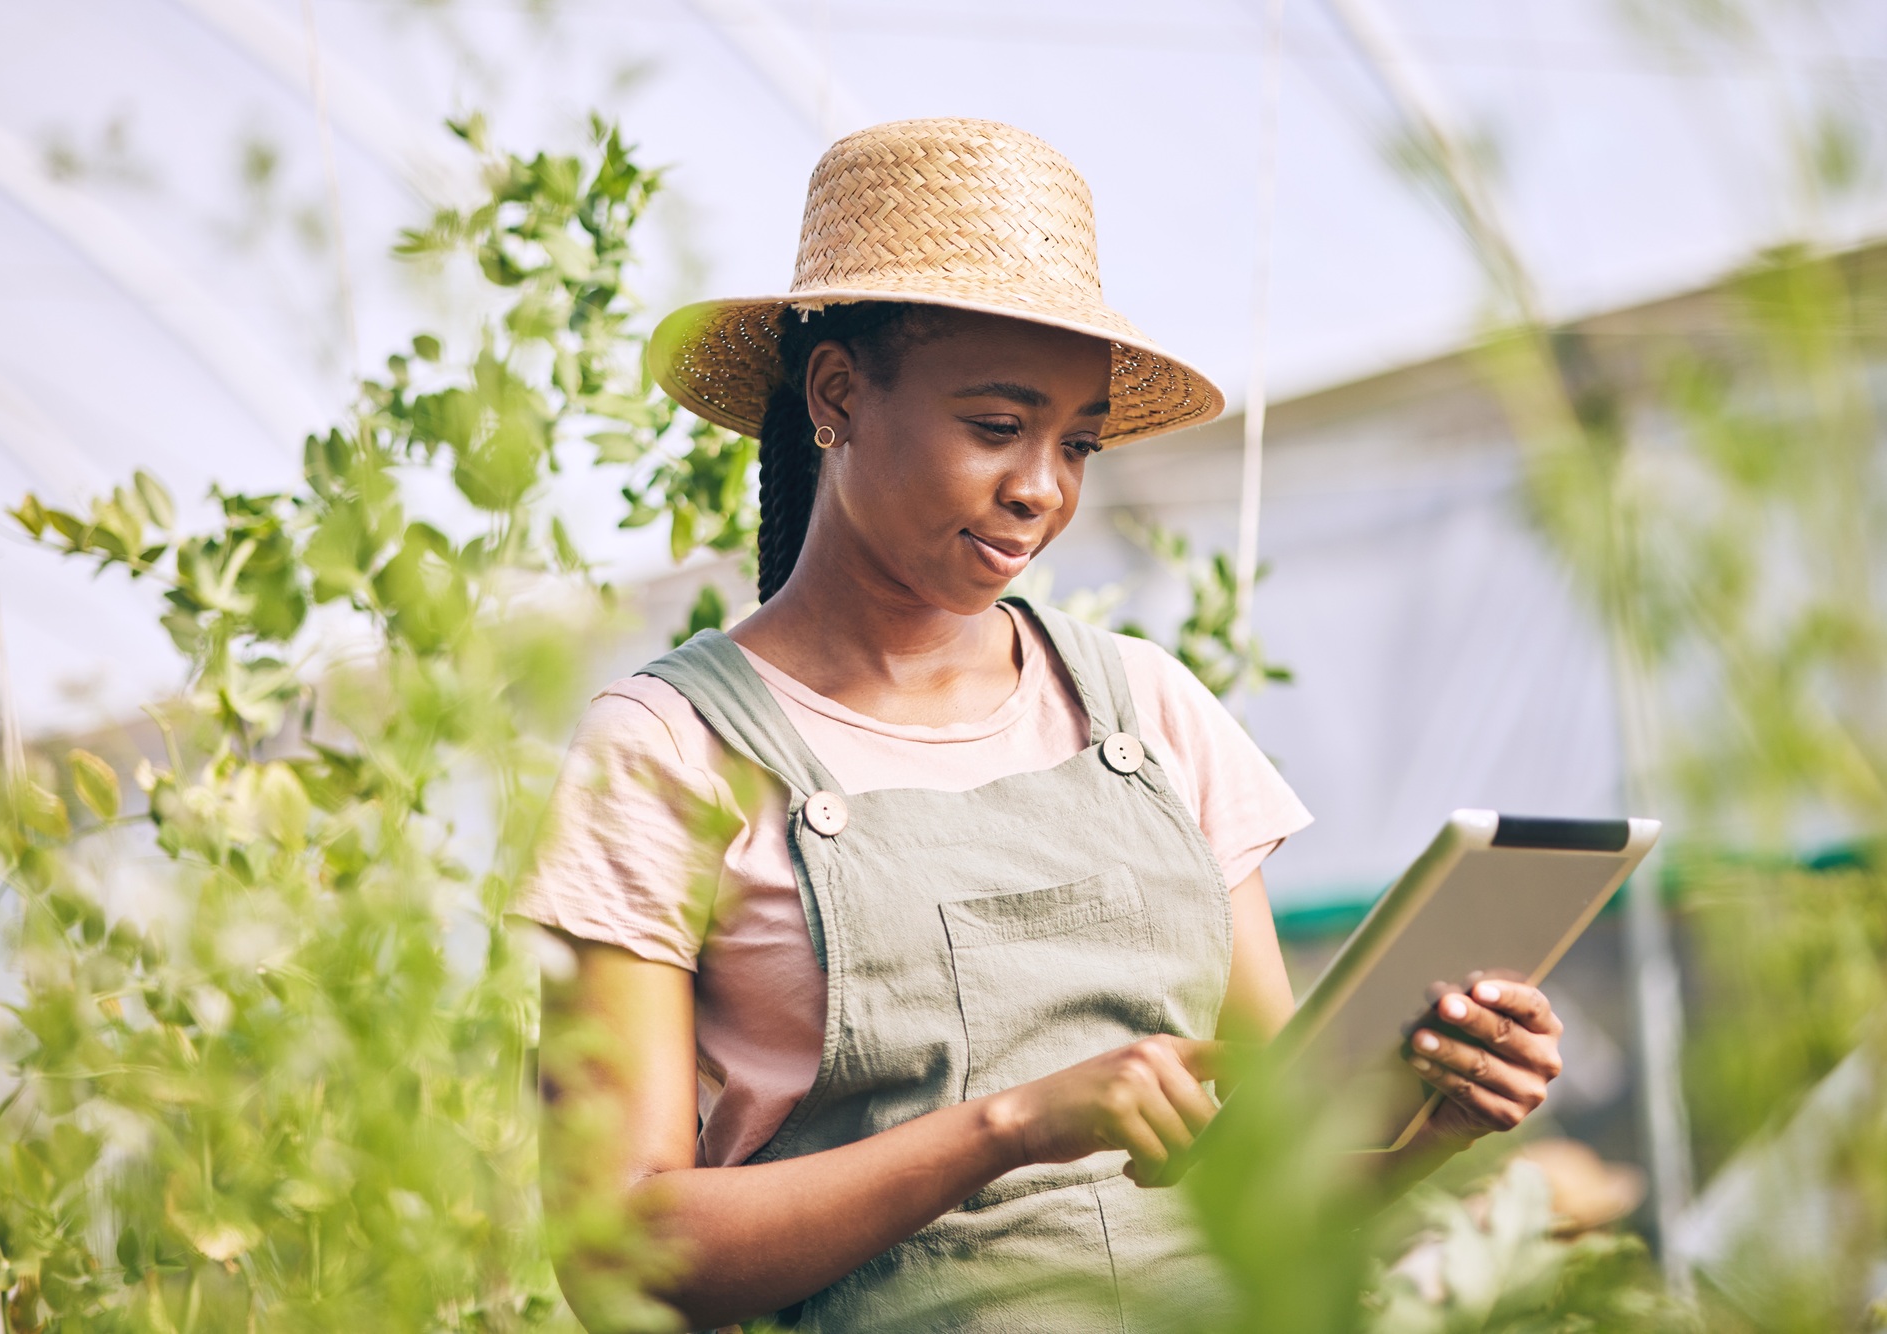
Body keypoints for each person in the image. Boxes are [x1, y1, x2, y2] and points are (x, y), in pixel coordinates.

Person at [516, 118, 1566, 1332]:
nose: (1042, 491)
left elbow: (1268, 1185)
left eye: (1076, 440)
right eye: (996, 426)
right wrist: (1013, 1122)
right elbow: (618, 1256)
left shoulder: (1147, 708)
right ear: (837, 394)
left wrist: (1427, 1126)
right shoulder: (667, 752)